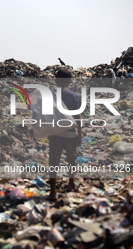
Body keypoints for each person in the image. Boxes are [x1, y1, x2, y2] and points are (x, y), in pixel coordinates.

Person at [48, 68, 82, 200]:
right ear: (70, 80)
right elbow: (77, 117)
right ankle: (70, 183)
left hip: (55, 133)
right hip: (70, 133)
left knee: (53, 161)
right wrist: (79, 134)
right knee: (71, 159)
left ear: (56, 80)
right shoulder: (75, 96)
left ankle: (52, 191)